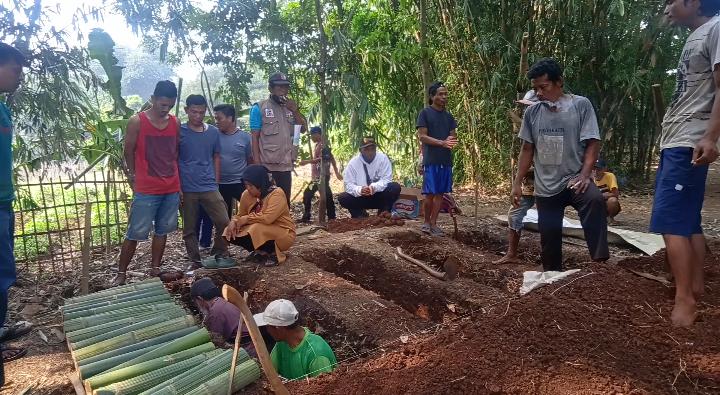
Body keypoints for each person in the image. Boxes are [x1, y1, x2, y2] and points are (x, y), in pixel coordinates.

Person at [650, 0, 720, 327]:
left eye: (671, 1)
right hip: (676, 139)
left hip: (689, 139)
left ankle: (685, 300)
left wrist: (710, 137)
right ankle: (694, 286)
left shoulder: (717, 28)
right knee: (688, 219)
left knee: (670, 219)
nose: (667, 7)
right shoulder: (698, 33)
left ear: (694, 2)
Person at [511, 58, 608, 272]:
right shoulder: (532, 113)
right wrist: (517, 183)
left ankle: (601, 266)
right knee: (549, 238)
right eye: (535, 88)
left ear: (559, 82)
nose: (539, 93)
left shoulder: (580, 105)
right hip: (546, 185)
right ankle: (552, 275)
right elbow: (527, 150)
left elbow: (593, 142)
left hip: (574, 179)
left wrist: (584, 175)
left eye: (543, 87)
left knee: (594, 200)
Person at [116, 80, 181, 286]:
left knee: (162, 231)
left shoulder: (175, 123)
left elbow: (175, 152)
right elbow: (128, 151)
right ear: (153, 99)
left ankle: (155, 268)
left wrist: (178, 186)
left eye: (169, 105)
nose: (166, 109)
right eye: (162, 104)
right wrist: (134, 176)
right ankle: (121, 273)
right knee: (135, 232)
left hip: (170, 187)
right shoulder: (137, 121)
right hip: (146, 188)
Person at [0, 42, 27, 386]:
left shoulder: (3, 108)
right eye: (15, 70)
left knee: (4, 271)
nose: (19, 78)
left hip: (4, 201)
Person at [179, 94, 231, 266]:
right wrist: (178, 186)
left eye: (201, 112)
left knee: (224, 221)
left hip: (209, 185)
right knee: (190, 228)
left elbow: (216, 156)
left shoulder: (213, 132)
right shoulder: (180, 131)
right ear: (187, 110)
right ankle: (194, 260)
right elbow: (173, 158)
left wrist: (216, 180)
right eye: (194, 112)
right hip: (187, 186)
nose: (198, 116)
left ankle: (218, 252)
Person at [249, 72, 307, 205]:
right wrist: (258, 166)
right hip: (267, 166)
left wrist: (295, 111)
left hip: (286, 165)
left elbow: (301, 130)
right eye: (278, 87)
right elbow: (255, 137)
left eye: (285, 87)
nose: (282, 90)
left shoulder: (291, 108)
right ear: (270, 88)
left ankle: (284, 226)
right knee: (268, 203)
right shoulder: (259, 108)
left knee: (284, 203)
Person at [495, 90, 539, 265]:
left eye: (529, 107)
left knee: (549, 218)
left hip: (548, 182)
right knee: (514, 214)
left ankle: (549, 260)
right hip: (529, 183)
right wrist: (518, 181)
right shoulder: (528, 127)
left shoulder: (552, 125)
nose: (525, 111)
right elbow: (526, 154)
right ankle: (511, 254)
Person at [222, 165, 296, 266]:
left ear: (260, 183)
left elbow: (268, 218)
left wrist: (246, 219)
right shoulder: (246, 194)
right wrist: (233, 221)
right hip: (260, 229)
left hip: (283, 233)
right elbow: (240, 214)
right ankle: (261, 252)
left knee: (255, 228)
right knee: (229, 231)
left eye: (251, 186)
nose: (248, 188)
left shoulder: (277, 194)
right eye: (246, 185)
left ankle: (273, 253)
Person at [253, 299, 336, 380]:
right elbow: (270, 371)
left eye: (268, 326)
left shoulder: (316, 355)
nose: (267, 330)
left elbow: (325, 387)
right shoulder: (282, 342)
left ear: (279, 328)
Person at [417, 82, 458, 237]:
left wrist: (450, 140)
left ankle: (434, 223)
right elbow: (422, 136)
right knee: (429, 193)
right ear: (432, 96)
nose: (444, 97)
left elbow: (453, 136)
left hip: (445, 160)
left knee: (440, 193)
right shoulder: (425, 113)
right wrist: (442, 142)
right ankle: (426, 222)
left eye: (445, 94)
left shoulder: (449, 117)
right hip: (431, 159)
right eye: (440, 94)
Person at [337, 137, 402, 218]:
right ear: (360, 151)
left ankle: (383, 212)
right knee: (343, 198)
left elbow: (386, 179)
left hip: (378, 195)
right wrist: (359, 190)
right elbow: (348, 185)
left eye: (373, 149)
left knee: (394, 187)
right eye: (367, 149)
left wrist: (374, 187)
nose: (370, 152)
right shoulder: (353, 164)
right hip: (361, 198)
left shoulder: (383, 159)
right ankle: (360, 215)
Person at [190, 278, 256, 355]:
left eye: (196, 302)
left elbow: (215, 339)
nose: (197, 305)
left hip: (245, 350)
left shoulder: (215, 312)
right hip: (251, 343)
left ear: (200, 299)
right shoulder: (222, 301)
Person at [214, 104, 252, 218]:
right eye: (216, 119)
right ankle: (224, 236)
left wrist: (249, 180)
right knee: (223, 217)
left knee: (249, 211)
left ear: (230, 118)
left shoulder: (245, 137)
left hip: (240, 182)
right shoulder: (213, 136)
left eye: (219, 118)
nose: (216, 122)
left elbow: (250, 160)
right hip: (220, 184)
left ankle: (249, 234)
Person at [299, 126, 342, 223]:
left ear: (317, 134)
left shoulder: (323, 145)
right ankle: (330, 217)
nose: (311, 138)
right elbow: (332, 159)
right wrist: (336, 172)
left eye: (312, 135)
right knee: (324, 195)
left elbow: (324, 158)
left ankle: (329, 217)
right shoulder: (318, 145)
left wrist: (307, 161)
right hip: (317, 177)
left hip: (321, 177)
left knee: (313, 194)